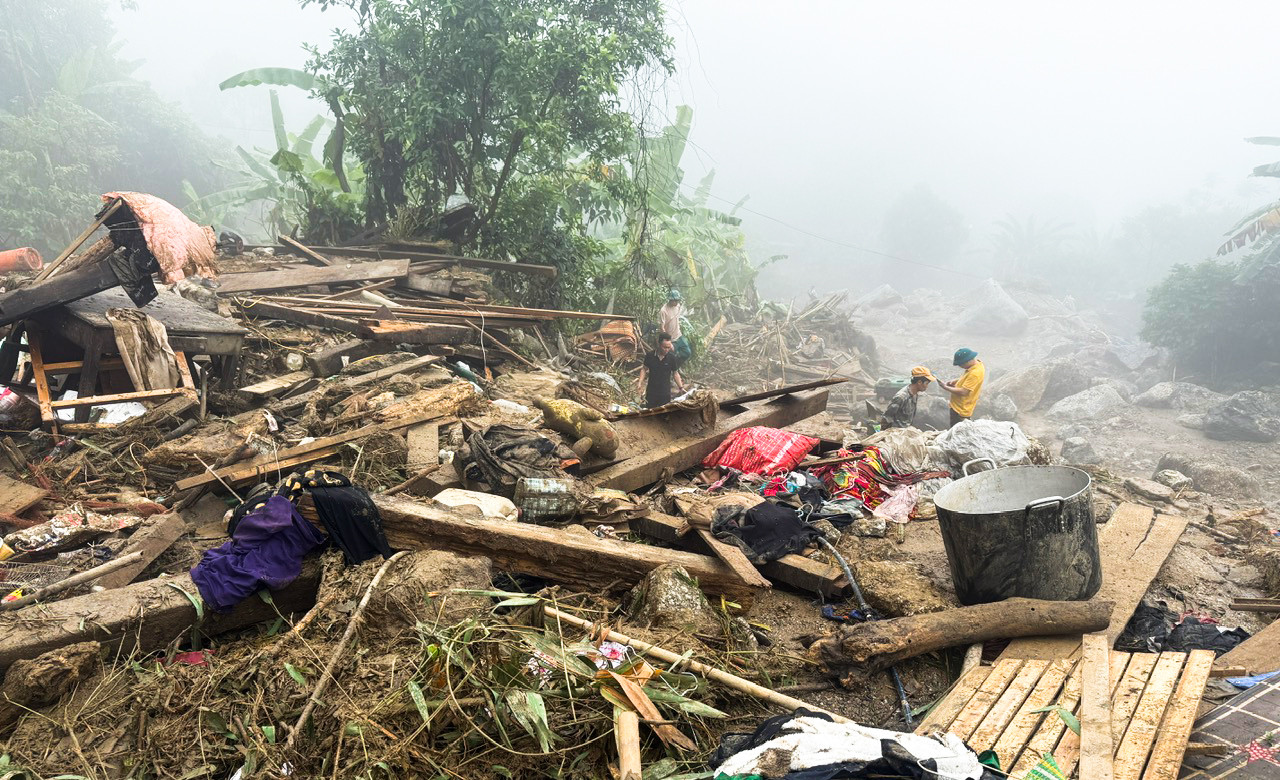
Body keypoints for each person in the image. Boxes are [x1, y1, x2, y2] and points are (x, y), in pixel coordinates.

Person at [938, 347, 985, 427]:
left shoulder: (975, 373)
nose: (960, 366)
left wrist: (945, 387)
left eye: (961, 364)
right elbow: (968, 378)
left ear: (968, 360)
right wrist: (956, 381)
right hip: (957, 406)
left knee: (957, 431)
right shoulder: (978, 365)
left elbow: (964, 392)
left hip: (961, 410)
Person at [636, 332, 686, 408]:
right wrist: (640, 382)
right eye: (664, 347)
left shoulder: (671, 358)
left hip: (665, 393)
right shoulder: (650, 356)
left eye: (669, 347)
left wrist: (681, 387)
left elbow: (675, 373)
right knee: (650, 413)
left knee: (664, 415)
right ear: (659, 344)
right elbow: (644, 369)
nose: (667, 350)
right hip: (651, 392)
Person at [659, 289, 692, 364]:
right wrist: (668, 342)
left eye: (678, 300)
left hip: (679, 335)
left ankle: (676, 367)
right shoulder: (663, 311)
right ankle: (672, 371)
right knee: (669, 358)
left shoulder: (678, 306)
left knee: (687, 352)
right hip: (671, 339)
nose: (677, 302)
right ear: (670, 300)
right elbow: (662, 328)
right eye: (675, 300)